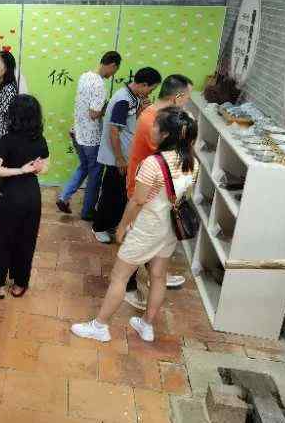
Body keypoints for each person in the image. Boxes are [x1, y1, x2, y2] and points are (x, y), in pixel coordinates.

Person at [71, 107, 198, 343]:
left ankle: (100, 326)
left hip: (147, 228)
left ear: (165, 134)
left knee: (119, 277)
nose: (152, 128)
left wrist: (122, 227)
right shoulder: (192, 162)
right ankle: (147, 325)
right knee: (158, 276)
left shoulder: (153, 163)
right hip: (169, 229)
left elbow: (138, 201)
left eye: (156, 126)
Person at [123, 75, 193, 310]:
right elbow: (170, 155)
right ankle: (129, 286)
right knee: (135, 237)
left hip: (154, 188)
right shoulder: (153, 120)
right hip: (142, 186)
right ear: (178, 97)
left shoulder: (162, 117)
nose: (187, 102)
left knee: (152, 235)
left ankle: (157, 272)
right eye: (187, 97)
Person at [0, 94, 50, 299]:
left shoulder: (8, 140)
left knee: (3, 240)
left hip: (10, 196)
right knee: (27, 240)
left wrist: (20, 170)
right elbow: (45, 167)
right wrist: (34, 169)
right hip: (32, 196)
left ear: (14, 116)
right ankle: (20, 284)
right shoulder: (40, 140)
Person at [92, 67, 162, 244]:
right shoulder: (123, 100)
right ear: (143, 84)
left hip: (124, 155)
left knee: (119, 194)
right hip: (117, 157)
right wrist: (119, 158)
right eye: (151, 89)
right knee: (110, 193)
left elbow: (129, 123)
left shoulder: (132, 97)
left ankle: (111, 224)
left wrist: (141, 111)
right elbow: (114, 131)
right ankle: (99, 227)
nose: (150, 93)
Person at [56, 51, 122, 219]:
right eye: (115, 70)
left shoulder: (85, 76)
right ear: (112, 65)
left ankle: (64, 197)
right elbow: (94, 114)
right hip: (91, 137)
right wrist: (107, 108)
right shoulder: (99, 85)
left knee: (84, 167)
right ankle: (87, 212)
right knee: (95, 174)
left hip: (77, 132)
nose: (113, 74)